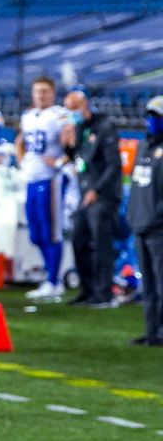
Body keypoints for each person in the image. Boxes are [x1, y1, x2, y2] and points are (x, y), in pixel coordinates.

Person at [63, 89, 121, 308]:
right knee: (79, 240)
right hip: (84, 193)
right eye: (67, 109)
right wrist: (66, 144)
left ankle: (103, 293)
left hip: (102, 196)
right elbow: (77, 159)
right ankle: (87, 290)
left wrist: (96, 190)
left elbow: (113, 165)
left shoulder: (105, 126)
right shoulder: (78, 128)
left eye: (74, 108)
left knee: (102, 244)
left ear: (85, 104)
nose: (71, 113)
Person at [17, 76, 70, 300]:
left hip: (51, 180)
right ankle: (50, 276)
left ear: (53, 93)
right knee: (36, 233)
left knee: (50, 232)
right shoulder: (28, 116)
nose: (40, 95)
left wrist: (58, 163)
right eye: (37, 91)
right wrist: (22, 162)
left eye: (45, 91)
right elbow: (20, 141)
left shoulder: (59, 115)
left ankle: (54, 281)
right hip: (32, 179)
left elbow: (72, 146)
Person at [127, 96, 163, 345]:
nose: (151, 121)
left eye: (157, 117)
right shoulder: (143, 146)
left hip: (159, 227)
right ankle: (151, 331)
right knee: (148, 283)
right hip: (141, 223)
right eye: (149, 115)